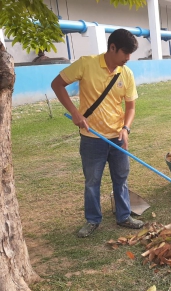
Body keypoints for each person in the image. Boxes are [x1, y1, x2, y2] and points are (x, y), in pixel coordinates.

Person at [51, 28, 144, 237]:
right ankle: (92, 220)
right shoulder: (86, 63)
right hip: (92, 138)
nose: (128, 58)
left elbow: (130, 107)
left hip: (118, 138)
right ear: (112, 48)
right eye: (125, 53)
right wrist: (75, 113)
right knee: (92, 181)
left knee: (121, 178)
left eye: (130, 54)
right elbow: (57, 84)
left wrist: (126, 129)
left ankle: (124, 216)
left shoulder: (126, 73)